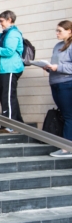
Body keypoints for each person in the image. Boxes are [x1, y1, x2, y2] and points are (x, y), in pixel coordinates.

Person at [44, 20, 72, 157]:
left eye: (60, 31)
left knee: (68, 116)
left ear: (69, 31)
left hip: (67, 84)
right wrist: (49, 68)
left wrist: (58, 67)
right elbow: (55, 64)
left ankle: (67, 148)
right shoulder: (57, 46)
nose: (57, 33)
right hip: (55, 83)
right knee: (65, 114)